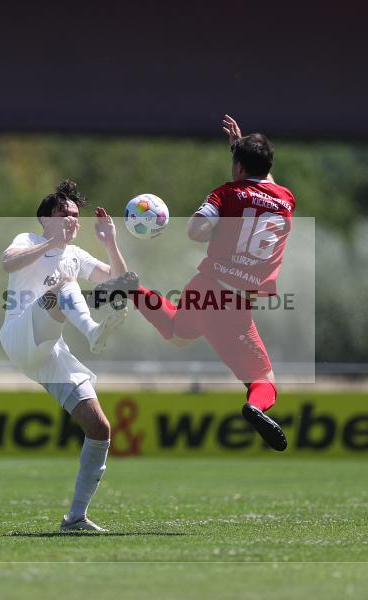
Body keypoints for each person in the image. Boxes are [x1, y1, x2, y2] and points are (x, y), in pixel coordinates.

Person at [98, 115, 294, 451]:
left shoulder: (226, 194)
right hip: (232, 304)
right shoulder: (286, 199)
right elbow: (265, 183)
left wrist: (215, 226)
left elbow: (195, 231)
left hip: (205, 286)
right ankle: (255, 407)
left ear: (238, 167)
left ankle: (133, 289)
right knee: (264, 381)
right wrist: (240, 147)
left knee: (177, 334)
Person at [0, 179, 136, 532]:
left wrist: (111, 244)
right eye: (64, 214)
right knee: (64, 286)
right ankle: (92, 331)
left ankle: (75, 518)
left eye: (76, 215)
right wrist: (51, 242)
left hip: (49, 351)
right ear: (46, 219)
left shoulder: (75, 254)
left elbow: (122, 281)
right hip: (19, 334)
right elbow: (8, 263)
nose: (73, 220)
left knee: (100, 428)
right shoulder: (29, 240)